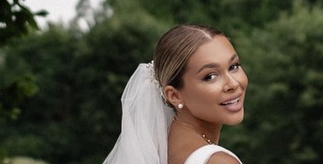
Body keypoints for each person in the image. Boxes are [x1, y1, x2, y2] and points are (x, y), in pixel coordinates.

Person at [102, 24, 248, 164]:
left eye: (233, 67)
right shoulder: (219, 162)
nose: (233, 84)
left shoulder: (160, 149)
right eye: (210, 76)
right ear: (174, 95)